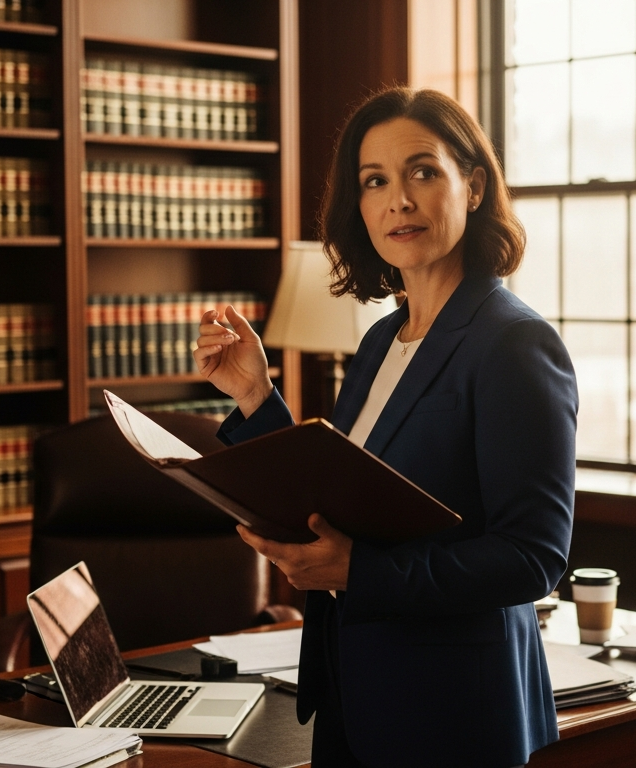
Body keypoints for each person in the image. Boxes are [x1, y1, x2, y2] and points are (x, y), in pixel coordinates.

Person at [193, 87, 577, 768]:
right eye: (375, 181)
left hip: (454, 715)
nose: (398, 199)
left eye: (422, 171)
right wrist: (257, 397)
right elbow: (335, 494)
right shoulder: (378, 343)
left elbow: (534, 557)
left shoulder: (514, 344)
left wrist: (360, 572)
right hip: (353, 695)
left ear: (475, 186)